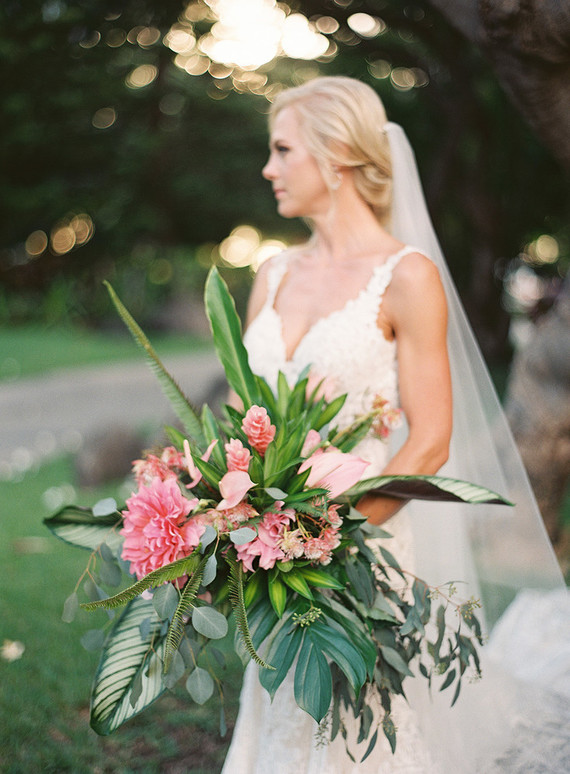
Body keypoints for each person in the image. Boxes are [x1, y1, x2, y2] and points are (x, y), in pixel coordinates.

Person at [221, 76, 569, 773]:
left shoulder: (406, 277)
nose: (269, 169)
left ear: (338, 155)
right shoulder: (273, 273)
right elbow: (242, 419)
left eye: (283, 150)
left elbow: (431, 438)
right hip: (268, 552)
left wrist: (325, 541)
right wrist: (230, 517)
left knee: (360, 726)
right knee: (282, 709)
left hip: (364, 549)